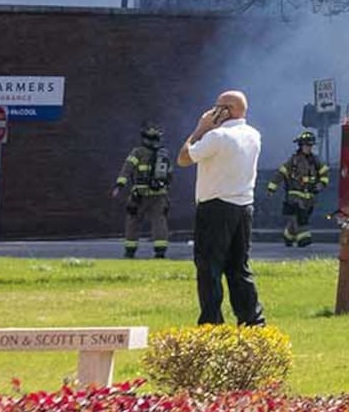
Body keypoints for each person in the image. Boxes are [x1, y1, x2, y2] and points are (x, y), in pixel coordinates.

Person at [179, 90, 265, 328]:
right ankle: (252, 321)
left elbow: (184, 158)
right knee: (239, 267)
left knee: (209, 267)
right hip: (244, 206)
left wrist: (200, 128)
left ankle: (211, 322)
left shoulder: (218, 136)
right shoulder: (253, 135)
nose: (212, 112)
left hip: (215, 205)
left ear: (227, 110)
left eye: (217, 107)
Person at [116, 126, 170, 261]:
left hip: (139, 195)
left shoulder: (137, 152)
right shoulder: (163, 154)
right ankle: (160, 252)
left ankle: (130, 252)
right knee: (159, 222)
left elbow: (127, 169)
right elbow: (169, 175)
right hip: (159, 195)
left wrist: (119, 185)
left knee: (133, 222)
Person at [276, 130, 330, 250]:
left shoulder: (315, 161)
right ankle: (303, 239)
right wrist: (272, 186)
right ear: (301, 146)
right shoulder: (294, 160)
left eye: (310, 145)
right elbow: (282, 172)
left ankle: (288, 235)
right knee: (300, 216)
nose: (308, 148)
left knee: (302, 216)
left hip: (309, 196)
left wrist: (321, 184)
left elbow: (324, 173)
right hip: (294, 194)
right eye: (306, 145)